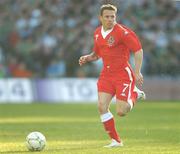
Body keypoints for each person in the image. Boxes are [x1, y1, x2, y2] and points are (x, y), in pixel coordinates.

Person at [79, 4, 146, 148]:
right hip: (106, 75)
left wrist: (137, 71)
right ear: (100, 18)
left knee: (121, 111)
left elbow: (138, 50)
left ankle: (135, 94)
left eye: (112, 17)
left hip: (123, 74)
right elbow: (97, 54)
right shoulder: (97, 33)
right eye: (107, 17)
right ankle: (116, 141)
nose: (110, 19)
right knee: (102, 106)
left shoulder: (123, 32)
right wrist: (88, 58)